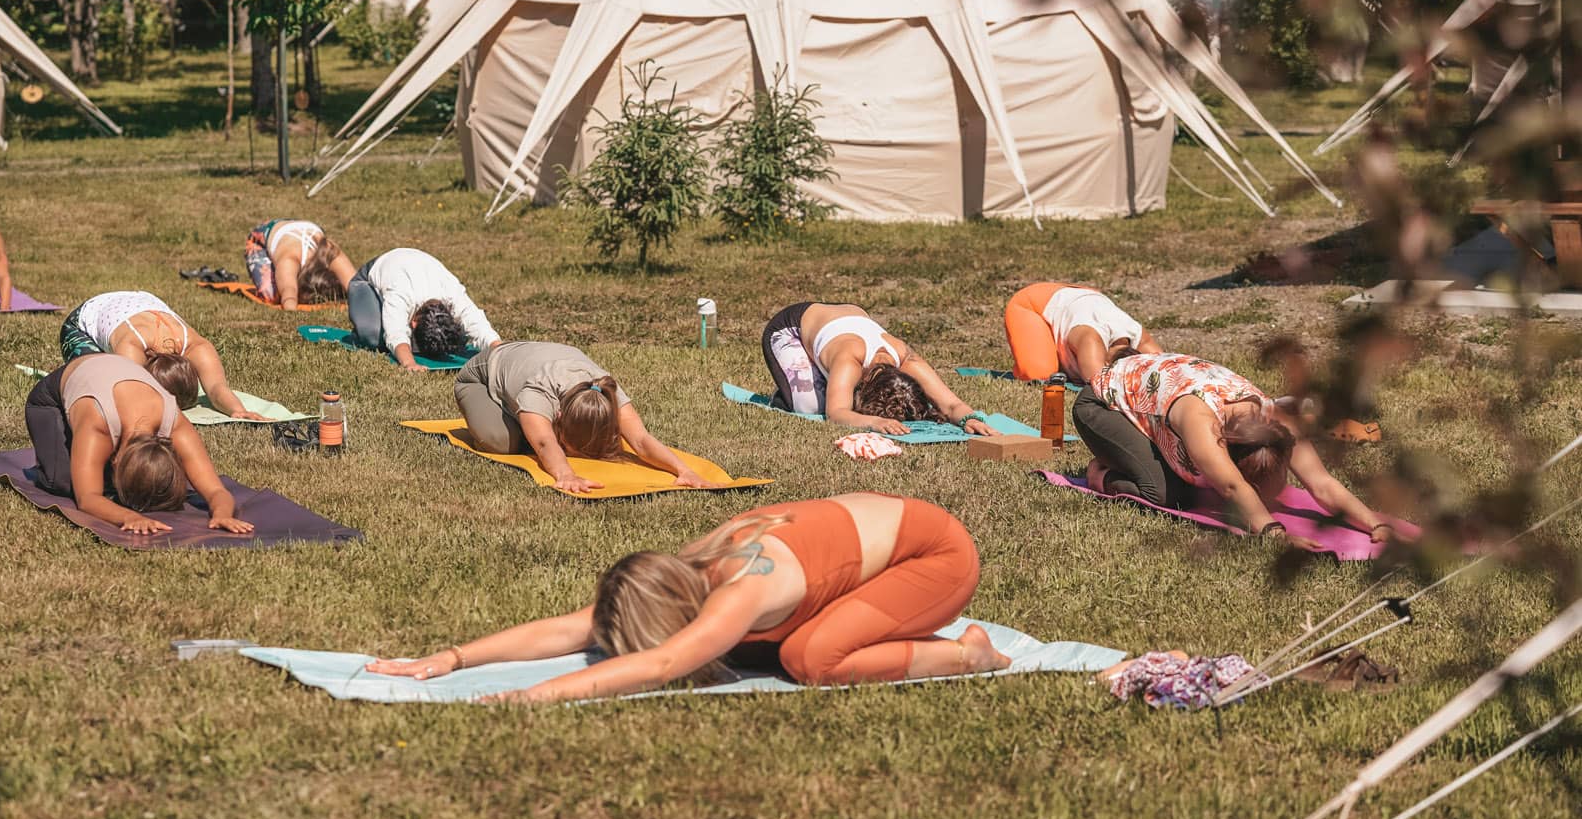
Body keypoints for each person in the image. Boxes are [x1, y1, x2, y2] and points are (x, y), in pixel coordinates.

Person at [366, 493, 1008, 700]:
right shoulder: (678, 573)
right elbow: (570, 628)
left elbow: (664, 663)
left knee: (811, 658)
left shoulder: (742, 589)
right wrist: (452, 658)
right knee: (773, 649)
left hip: (937, 558)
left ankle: (968, 654)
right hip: (879, 555)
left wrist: (528, 698)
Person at [1075, 351, 1393, 553]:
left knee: (1193, 487)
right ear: (1228, 454)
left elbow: (1321, 483)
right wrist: (1275, 534)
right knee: (1166, 493)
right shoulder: (1200, 421)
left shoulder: (1278, 423)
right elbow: (1231, 486)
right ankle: (1100, 472)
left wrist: (1374, 524)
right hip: (1103, 403)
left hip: (1158, 389)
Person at [24, 354, 253, 536]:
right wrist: (129, 517)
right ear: (114, 460)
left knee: (125, 481)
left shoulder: (174, 422)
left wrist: (223, 514)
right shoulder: (98, 424)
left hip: (114, 373)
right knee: (64, 484)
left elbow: (216, 490)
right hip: (51, 399)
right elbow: (88, 499)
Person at [454, 340, 707, 496]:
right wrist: (565, 474)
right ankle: (513, 416)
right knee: (501, 442)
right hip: (480, 376)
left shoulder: (605, 392)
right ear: (558, 415)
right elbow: (544, 442)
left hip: (542, 356)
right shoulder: (539, 392)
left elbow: (641, 439)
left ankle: (526, 423)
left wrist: (683, 470)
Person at [760, 302, 997, 436]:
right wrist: (873, 422)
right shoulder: (849, 360)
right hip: (791, 327)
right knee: (812, 407)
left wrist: (970, 419)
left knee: (832, 394)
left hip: (846, 314)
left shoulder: (906, 359)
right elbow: (836, 413)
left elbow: (951, 404)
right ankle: (783, 394)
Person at [59, 290, 261, 419]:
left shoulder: (197, 346)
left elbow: (217, 388)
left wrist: (238, 411)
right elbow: (130, 396)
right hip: (82, 321)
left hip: (137, 301)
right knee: (95, 383)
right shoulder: (131, 346)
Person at [346, 247, 501, 370]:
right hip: (366, 281)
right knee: (374, 336)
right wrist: (409, 363)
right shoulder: (401, 293)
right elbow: (396, 333)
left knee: (452, 338)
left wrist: (500, 350)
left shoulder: (452, 294)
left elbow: (478, 325)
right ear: (413, 322)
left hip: (414, 264)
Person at [1003, 282, 1160, 383]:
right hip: (1032, 303)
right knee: (1039, 373)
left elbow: (1168, 370)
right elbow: (1100, 386)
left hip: (1084, 295)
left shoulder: (1140, 337)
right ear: (1106, 364)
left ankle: (1060, 353)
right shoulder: (1091, 341)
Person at [244, 219, 357, 310]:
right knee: (271, 296)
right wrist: (291, 307)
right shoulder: (289, 260)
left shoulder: (330, 252)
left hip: (301, 226)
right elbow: (289, 294)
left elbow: (357, 286)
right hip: (262, 235)